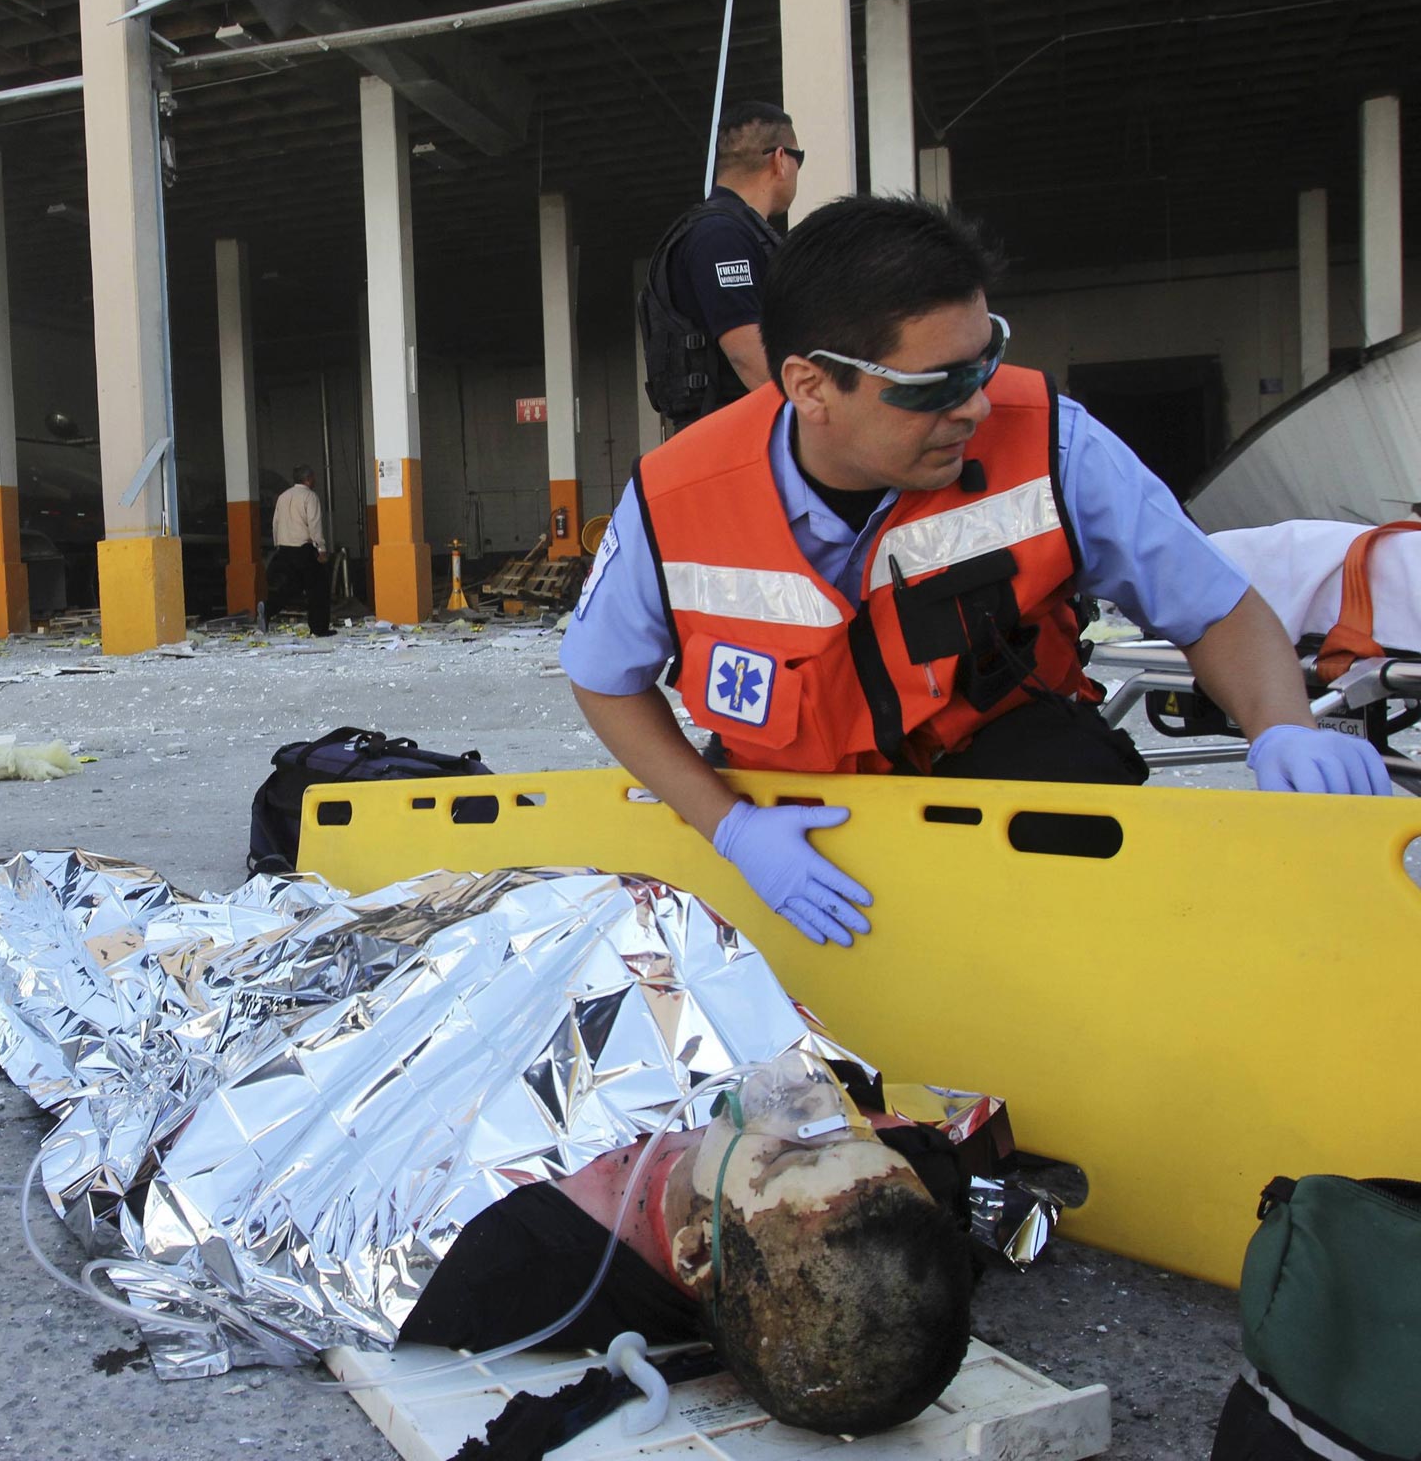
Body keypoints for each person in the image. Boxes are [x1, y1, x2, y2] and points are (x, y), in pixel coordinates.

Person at [569, 195, 1393, 949]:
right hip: (802, 827)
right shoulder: (677, 498)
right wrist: (729, 828)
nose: (978, 406)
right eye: (939, 385)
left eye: (985, 358)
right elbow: (605, 679)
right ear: (812, 388)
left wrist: (1282, 724)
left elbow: (1213, 607)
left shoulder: (1054, 444)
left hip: (1013, 791)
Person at [405, 1051, 972, 1436]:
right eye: (861, 1139)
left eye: (785, 1157)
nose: (819, 1106)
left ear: (695, 1251)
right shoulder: (894, 1186)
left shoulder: (501, 1261)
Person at [637, 101, 800, 425]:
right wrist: (814, 425)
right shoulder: (722, 236)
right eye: (799, 159)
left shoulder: (730, 231)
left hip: (726, 432)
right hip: (729, 436)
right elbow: (748, 356)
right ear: (781, 160)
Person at [265, 465, 332, 636]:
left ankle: (268, 609)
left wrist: (277, 544)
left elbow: (275, 523)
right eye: (313, 478)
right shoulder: (310, 497)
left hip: (284, 549)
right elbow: (314, 524)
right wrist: (321, 548)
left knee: (292, 586)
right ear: (308, 479)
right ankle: (319, 628)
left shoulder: (283, 497)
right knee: (318, 588)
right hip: (303, 549)